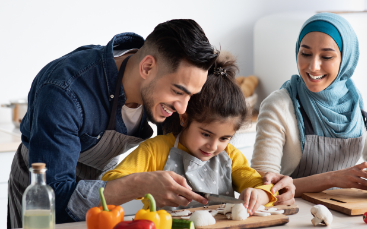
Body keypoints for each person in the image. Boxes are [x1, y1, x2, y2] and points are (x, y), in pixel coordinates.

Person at [7, 19, 219, 228]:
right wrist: (138, 184)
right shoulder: (64, 91)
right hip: (42, 185)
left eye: (190, 96)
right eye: (178, 92)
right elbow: (56, 199)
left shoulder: (165, 88)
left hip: (98, 183)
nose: (182, 108)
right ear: (146, 67)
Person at [102, 52, 277, 214]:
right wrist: (146, 183)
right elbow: (110, 180)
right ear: (184, 118)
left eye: (224, 138)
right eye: (206, 134)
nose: (213, 146)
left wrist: (259, 194)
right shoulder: (155, 150)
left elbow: (260, 185)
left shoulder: (230, 155)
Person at [251, 13, 367, 197]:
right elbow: (260, 185)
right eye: (305, 54)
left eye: (326, 57)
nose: (313, 66)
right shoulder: (278, 105)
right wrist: (332, 179)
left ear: (345, 60)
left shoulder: (355, 104)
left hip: (349, 217)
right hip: (296, 217)